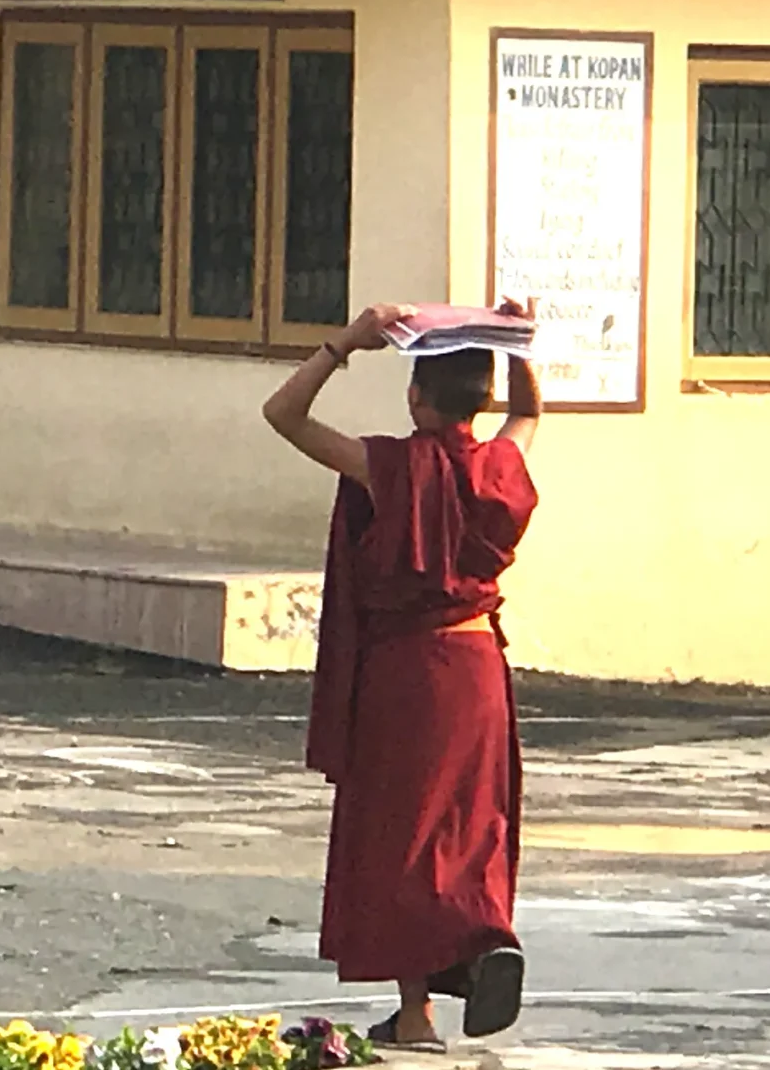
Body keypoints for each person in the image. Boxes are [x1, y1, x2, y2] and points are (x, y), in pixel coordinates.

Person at [262, 301, 542, 1053]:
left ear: (418, 399)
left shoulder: (391, 466)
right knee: (471, 826)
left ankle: (416, 1012)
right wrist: (517, 343)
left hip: (408, 673)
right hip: (479, 669)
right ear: (481, 399)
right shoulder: (500, 467)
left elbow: (283, 414)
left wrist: (346, 342)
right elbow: (527, 414)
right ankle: (482, 940)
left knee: (402, 834)